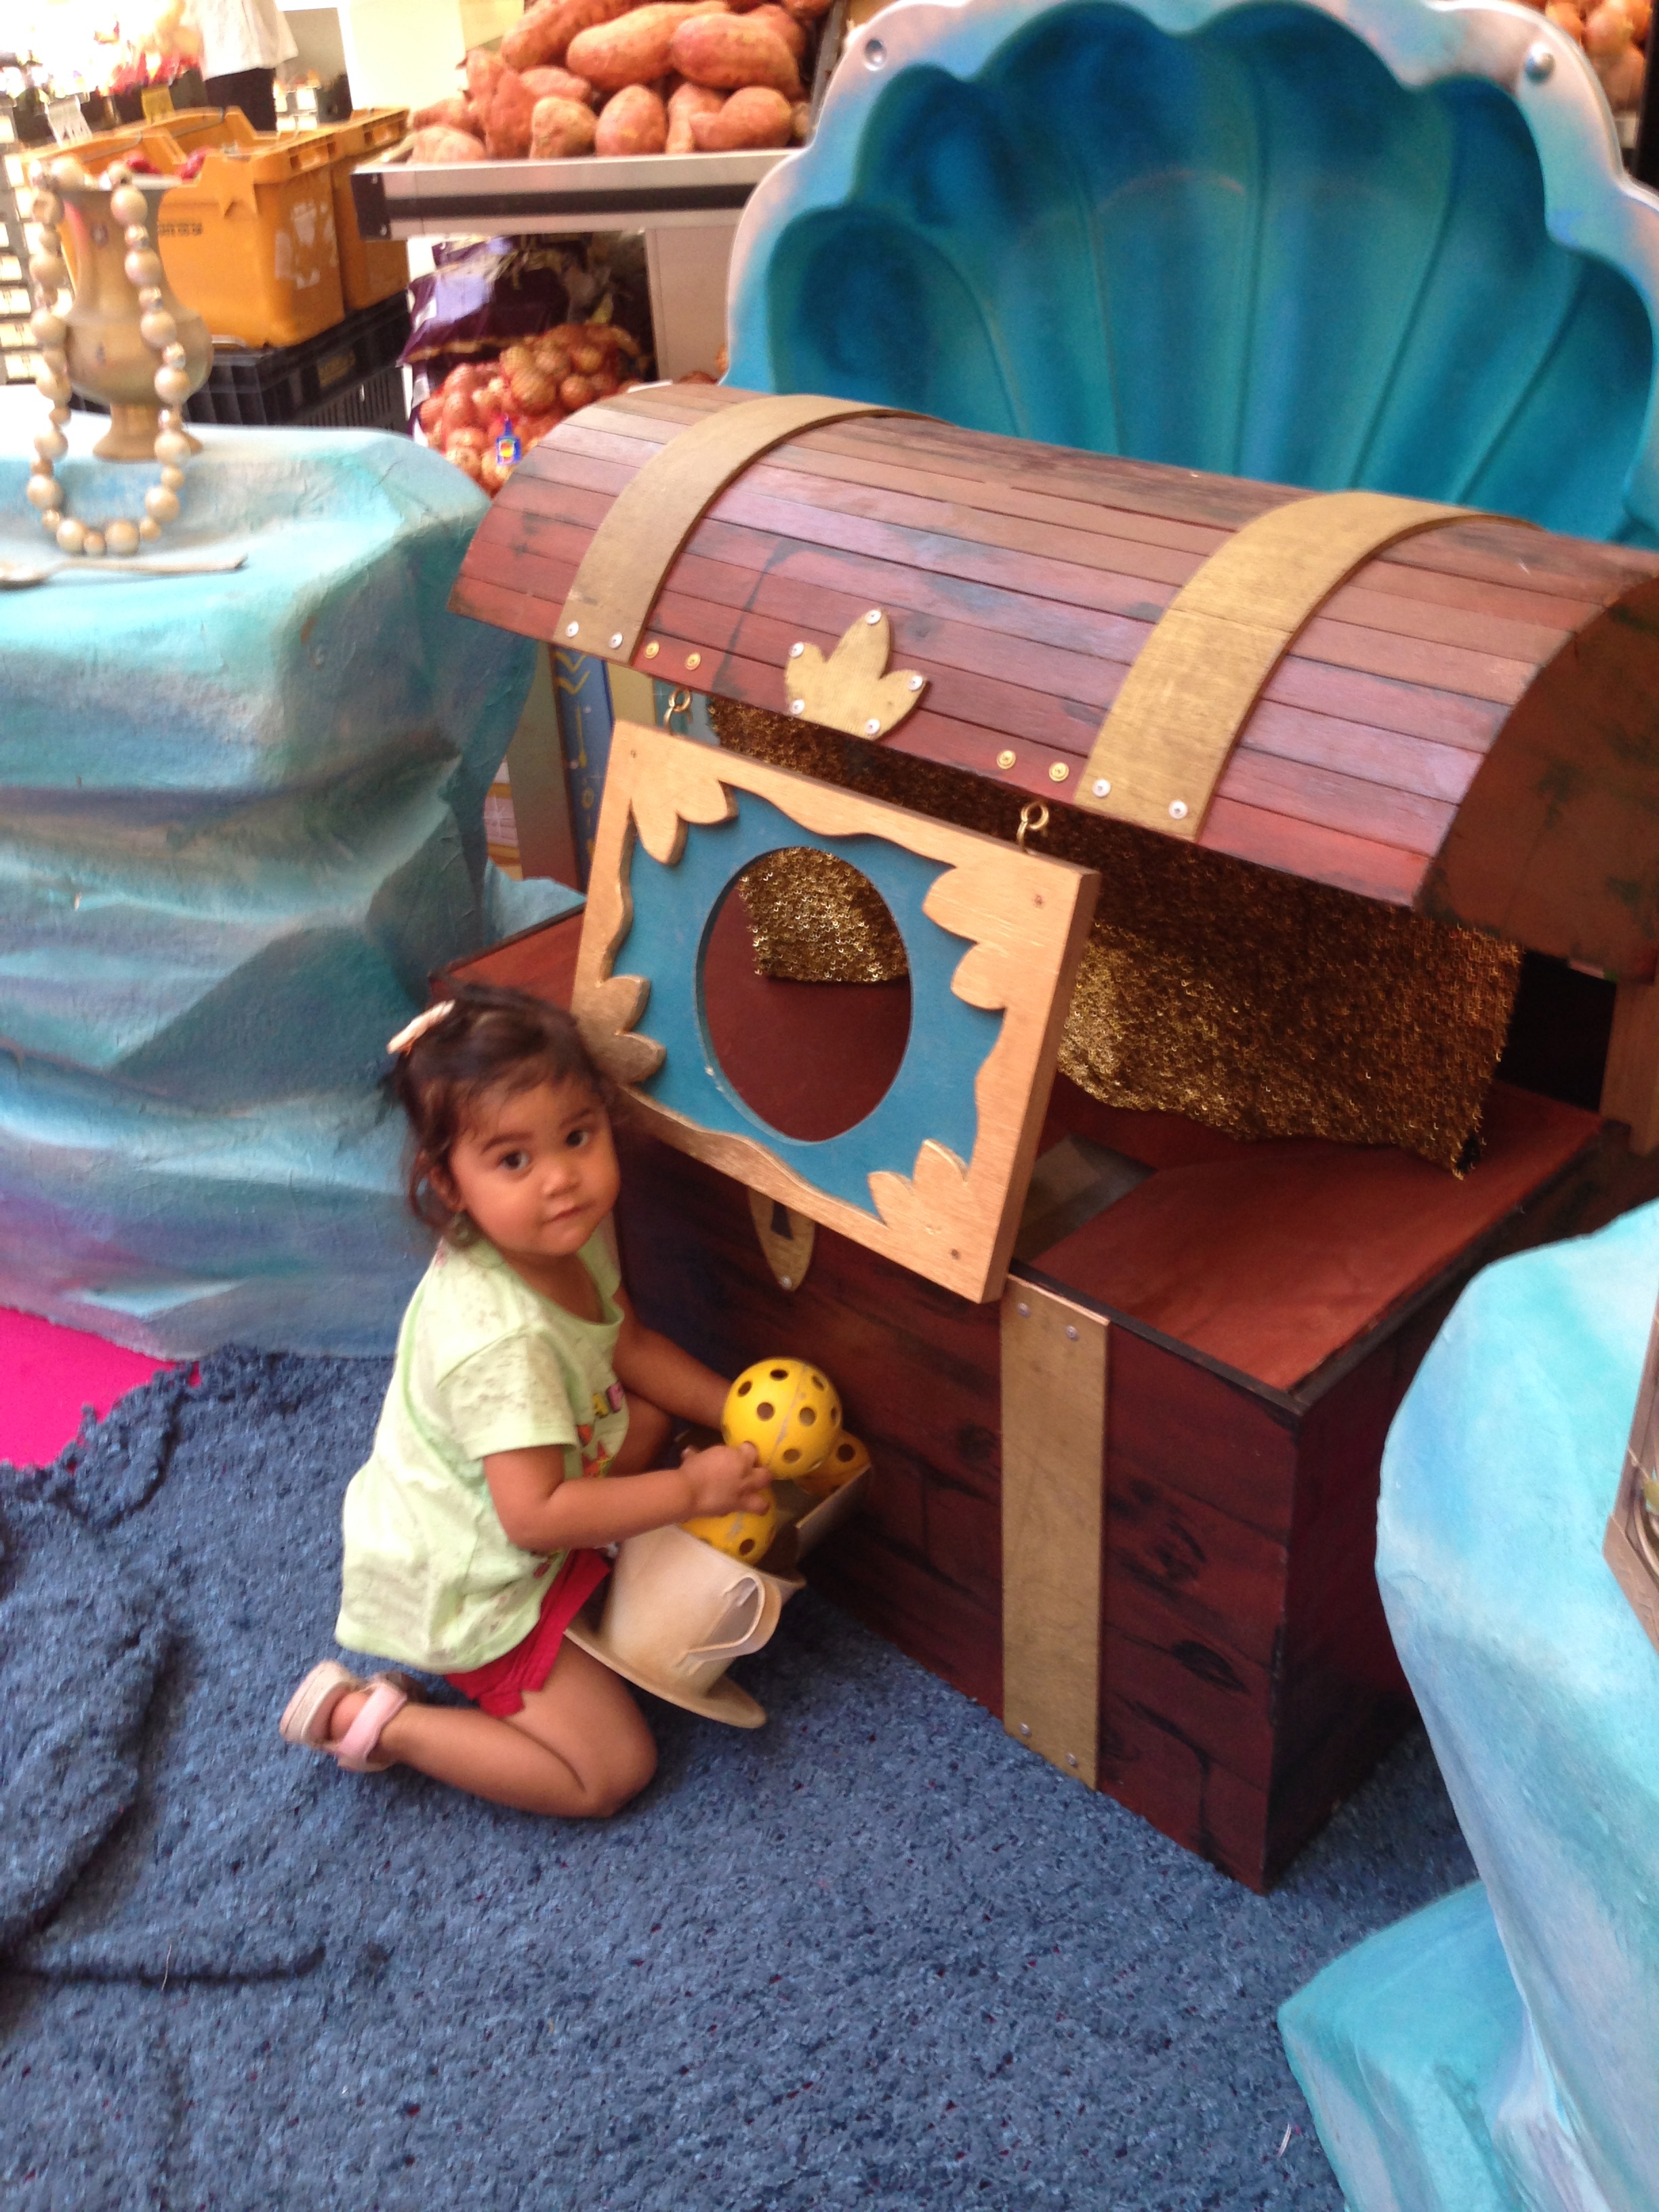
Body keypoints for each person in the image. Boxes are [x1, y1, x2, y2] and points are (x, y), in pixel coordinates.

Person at [279, 984, 771, 1818]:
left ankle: (597, 1561)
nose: (561, 1180)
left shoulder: (569, 1230)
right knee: (612, 1771)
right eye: (514, 1160)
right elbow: (533, 1518)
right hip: (472, 1578)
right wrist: (691, 1491)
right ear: (449, 1184)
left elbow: (627, 1345)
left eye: (577, 1137)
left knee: (654, 1414)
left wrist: (741, 1408)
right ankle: (372, 1720)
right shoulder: (499, 1343)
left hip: (524, 1492)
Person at [191, 0, 295, 134]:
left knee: (262, 135)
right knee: (240, 137)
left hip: (254, 58)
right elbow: (192, 42)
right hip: (223, 66)